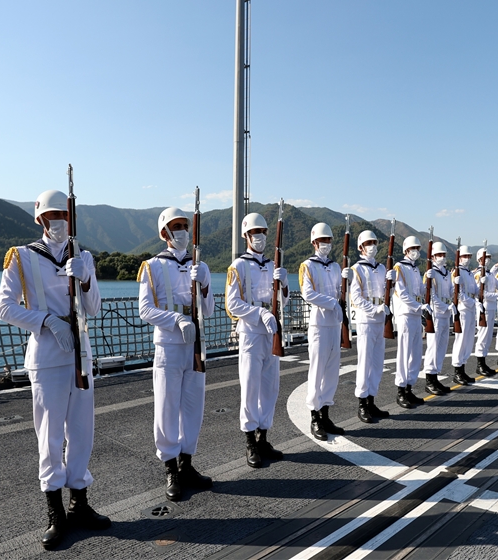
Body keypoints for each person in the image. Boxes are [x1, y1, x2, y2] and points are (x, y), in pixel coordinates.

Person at [0, 189, 110, 550]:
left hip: (81, 353)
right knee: (49, 437)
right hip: (47, 355)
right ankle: (55, 513)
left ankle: (80, 504)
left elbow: (93, 308)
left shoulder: (84, 256)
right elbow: (4, 307)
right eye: (53, 216)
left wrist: (87, 279)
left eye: (64, 216)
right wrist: (46, 320)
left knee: (81, 431)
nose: (59, 222)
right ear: (41, 220)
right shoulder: (22, 257)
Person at [137, 207, 215, 500]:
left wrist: (205, 285)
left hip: (195, 343)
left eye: (184, 225)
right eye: (176, 226)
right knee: (167, 407)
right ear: (164, 233)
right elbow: (145, 309)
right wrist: (177, 319)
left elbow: (207, 310)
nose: (182, 230)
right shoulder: (152, 266)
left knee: (193, 407)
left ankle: (186, 463)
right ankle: (170, 467)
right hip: (169, 345)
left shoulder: (200, 264)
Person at [225, 212, 288, 467]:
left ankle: (263, 436)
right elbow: (232, 304)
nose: (259, 237)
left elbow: (283, 303)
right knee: (250, 387)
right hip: (251, 332)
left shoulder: (273, 265)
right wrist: (260, 313)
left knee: (270, 388)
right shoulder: (238, 266)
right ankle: (250, 440)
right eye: (255, 233)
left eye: (262, 232)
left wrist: (283, 285)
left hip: (271, 331)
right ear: (246, 236)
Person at [299, 223, 346, 440]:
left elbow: (339, 292)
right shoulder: (307, 266)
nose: (326, 244)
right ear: (314, 242)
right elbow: (308, 293)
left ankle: (326, 413)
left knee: (331, 372)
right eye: (322, 240)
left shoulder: (336, 267)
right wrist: (332, 303)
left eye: (328, 240)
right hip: (319, 324)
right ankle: (314, 416)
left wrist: (347, 282)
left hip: (335, 324)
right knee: (317, 371)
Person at [348, 230, 391, 422]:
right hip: (367, 319)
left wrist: (393, 282)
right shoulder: (357, 269)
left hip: (380, 319)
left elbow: (387, 291)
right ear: (360, 247)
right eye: (368, 243)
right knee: (364, 363)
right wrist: (374, 309)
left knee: (377, 364)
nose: (372, 246)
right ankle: (362, 403)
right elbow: (355, 297)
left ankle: (372, 400)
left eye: (374, 242)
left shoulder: (382, 268)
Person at [392, 236, 429, 404]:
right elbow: (402, 293)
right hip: (406, 313)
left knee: (415, 353)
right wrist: (418, 306)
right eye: (413, 248)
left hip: (415, 314)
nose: (416, 251)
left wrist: (427, 281)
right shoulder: (399, 267)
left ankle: (409, 387)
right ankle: (401, 390)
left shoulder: (415, 269)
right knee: (405, 352)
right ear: (406, 250)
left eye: (418, 248)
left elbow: (420, 290)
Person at [422, 242, 456, 394]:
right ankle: (429, 379)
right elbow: (431, 296)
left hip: (445, 313)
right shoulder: (430, 273)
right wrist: (445, 306)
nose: (442, 257)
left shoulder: (447, 273)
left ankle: (436, 376)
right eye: (439, 255)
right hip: (435, 314)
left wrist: (455, 291)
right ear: (433, 256)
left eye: (443, 255)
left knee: (442, 347)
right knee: (433, 347)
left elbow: (450, 292)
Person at [449, 246, 477, 385]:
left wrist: (478, 293)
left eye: (468, 256)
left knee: (468, 340)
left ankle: (463, 368)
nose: (467, 259)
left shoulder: (470, 273)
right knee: (461, 340)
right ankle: (457, 371)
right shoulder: (457, 271)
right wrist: (471, 302)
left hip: (471, 308)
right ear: (459, 258)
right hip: (463, 308)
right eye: (465, 256)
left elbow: (474, 290)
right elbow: (457, 292)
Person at [472, 248, 498, 377]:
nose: (487, 259)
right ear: (479, 259)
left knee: (488, 337)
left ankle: (484, 361)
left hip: (492, 308)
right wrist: (497, 295)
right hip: (484, 308)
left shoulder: (490, 273)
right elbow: (480, 293)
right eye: (485, 257)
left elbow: (497, 285)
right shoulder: (478, 273)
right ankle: (479, 364)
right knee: (482, 336)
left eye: (489, 257)